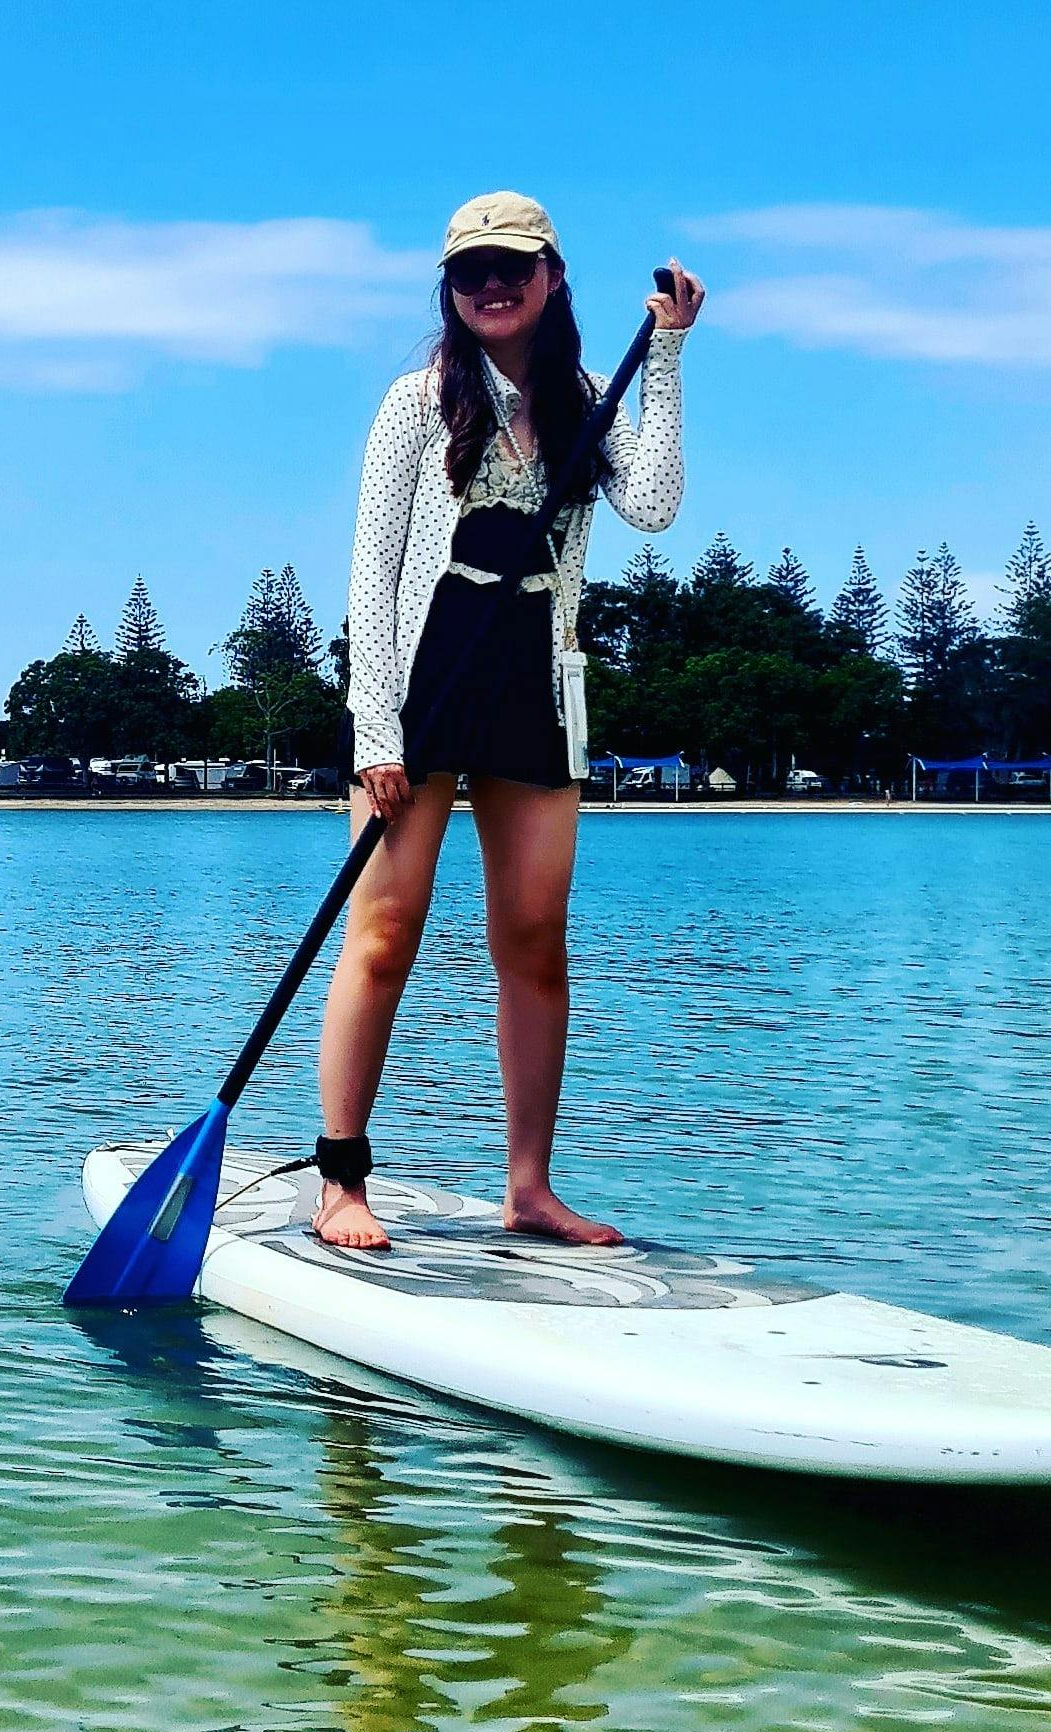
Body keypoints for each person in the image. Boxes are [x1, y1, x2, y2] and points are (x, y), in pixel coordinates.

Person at [314, 194, 702, 1250]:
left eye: (512, 267)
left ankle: (528, 1189)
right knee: (383, 934)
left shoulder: (584, 397)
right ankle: (342, 1179)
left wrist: (667, 355)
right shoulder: (417, 403)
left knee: (535, 941)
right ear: (449, 288)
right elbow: (372, 571)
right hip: (425, 678)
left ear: (551, 278)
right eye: (470, 270)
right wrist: (376, 729)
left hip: (535, 677)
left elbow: (655, 504)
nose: (492, 284)